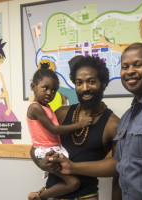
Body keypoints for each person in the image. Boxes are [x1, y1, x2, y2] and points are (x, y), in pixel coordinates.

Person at [50, 43, 142, 200]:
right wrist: (70, 167)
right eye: (125, 67)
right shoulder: (128, 117)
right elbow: (120, 165)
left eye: (138, 65)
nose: (130, 71)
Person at [30, 56, 120, 200]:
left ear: (103, 83)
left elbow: (117, 166)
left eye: (91, 82)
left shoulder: (113, 124)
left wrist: (73, 167)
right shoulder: (60, 113)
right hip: (52, 194)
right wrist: (41, 163)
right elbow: (36, 147)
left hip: (85, 196)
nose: (85, 88)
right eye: (79, 82)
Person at [27, 68, 92, 200]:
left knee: (70, 176)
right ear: (33, 87)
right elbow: (54, 129)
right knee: (73, 182)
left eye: (53, 90)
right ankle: (39, 197)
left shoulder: (47, 107)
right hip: (46, 150)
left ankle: (43, 192)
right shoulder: (35, 107)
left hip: (53, 147)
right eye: (45, 88)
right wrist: (80, 124)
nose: (49, 93)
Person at [0, 36, 18, 144]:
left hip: (1, 106)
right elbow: (2, 94)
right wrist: (0, 96)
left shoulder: (0, 74)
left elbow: (6, 92)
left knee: (16, 124)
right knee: (5, 137)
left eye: (0, 59)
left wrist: (8, 107)